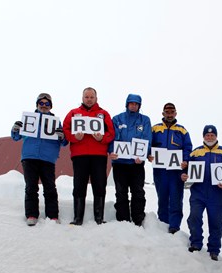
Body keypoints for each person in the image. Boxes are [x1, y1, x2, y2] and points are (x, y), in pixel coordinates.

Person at [183, 125, 222, 260]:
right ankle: (196, 243)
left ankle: (214, 250)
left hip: (217, 195)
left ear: (216, 136)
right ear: (203, 136)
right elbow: (185, 167)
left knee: (216, 223)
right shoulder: (195, 153)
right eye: (207, 135)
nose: (210, 137)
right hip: (198, 193)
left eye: (212, 135)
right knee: (194, 217)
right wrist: (183, 175)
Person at [10, 93, 67, 226]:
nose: (44, 106)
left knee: (50, 188)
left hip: (48, 158)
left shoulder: (56, 121)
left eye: (47, 104)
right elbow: (16, 137)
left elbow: (64, 143)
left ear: (50, 106)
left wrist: (62, 136)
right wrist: (15, 129)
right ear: (37, 104)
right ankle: (31, 214)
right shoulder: (29, 119)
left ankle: (52, 215)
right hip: (30, 156)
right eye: (41, 103)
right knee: (31, 187)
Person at [63, 87, 115, 225]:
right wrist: (75, 137)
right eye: (87, 97)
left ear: (96, 98)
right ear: (82, 98)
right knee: (79, 185)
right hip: (79, 155)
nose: (89, 99)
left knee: (99, 185)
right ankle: (78, 218)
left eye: (92, 97)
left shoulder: (103, 114)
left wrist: (101, 139)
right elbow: (65, 130)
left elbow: (111, 133)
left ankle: (99, 218)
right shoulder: (73, 113)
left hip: (99, 155)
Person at [109, 93, 152, 226]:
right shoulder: (117, 119)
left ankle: (138, 219)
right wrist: (111, 151)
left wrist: (144, 154)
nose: (133, 106)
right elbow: (112, 137)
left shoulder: (144, 120)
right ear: (127, 104)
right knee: (121, 192)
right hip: (120, 163)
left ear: (139, 106)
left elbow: (147, 139)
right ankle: (123, 220)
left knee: (138, 192)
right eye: (131, 103)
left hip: (137, 163)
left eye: (136, 104)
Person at [151, 103, 192, 233]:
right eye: (167, 112)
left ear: (175, 113)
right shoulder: (155, 129)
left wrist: (185, 160)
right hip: (160, 170)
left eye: (172, 112)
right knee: (162, 198)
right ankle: (163, 224)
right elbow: (148, 144)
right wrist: (148, 154)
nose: (169, 114)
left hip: (176, 170)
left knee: (176, 198)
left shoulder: (182, 130)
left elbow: (188, 147)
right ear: (163, 113)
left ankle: (174, 227)